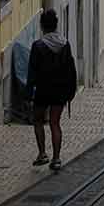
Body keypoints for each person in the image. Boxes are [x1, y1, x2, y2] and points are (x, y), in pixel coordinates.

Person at [27, 9, 77, 170]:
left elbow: (32, 71)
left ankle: (42, 154)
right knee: (55, 123)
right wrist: (71, 92)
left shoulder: (38, 46)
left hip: (43, 90)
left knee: (38, 121)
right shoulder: (65, 44)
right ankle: (56, 158)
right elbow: (71, 69)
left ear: (42, 26)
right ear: (56, 25)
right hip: (60, 90)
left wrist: (28, 92)